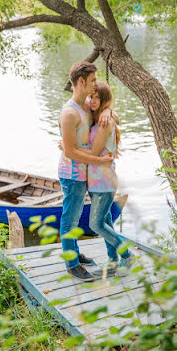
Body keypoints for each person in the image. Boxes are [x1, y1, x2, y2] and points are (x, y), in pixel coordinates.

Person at [58, 61, 113, 281]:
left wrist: (107, 109)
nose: (95, 85)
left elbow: (105, 105)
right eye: (92, 81)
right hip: (72, 174)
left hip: (88, 173)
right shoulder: (69, 113)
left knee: (94, 213)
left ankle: (77, 253)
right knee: (70, 218)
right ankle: (72, 264)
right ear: (81, 82)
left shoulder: (85, 107)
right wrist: (99, 162)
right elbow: (70, 152)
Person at [86, 82, 135, 272]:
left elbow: (94, 151)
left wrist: (68, 148)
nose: (92, 100)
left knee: (95, 224)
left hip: (104, 181)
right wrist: (108, 111)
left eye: (97, 97)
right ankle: (113, 259)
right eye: (91, 96)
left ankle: (127, 256)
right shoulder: (99, 117)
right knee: (106, 223)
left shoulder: (105, 122)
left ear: (104, 100)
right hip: (96, 181)